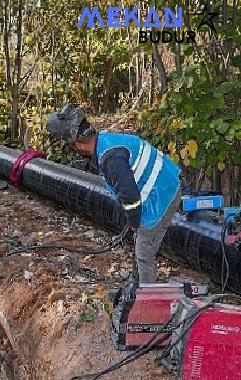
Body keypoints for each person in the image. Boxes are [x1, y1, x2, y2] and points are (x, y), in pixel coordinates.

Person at [46, 104, 181, 283]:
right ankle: (139, 283)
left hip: (159, 196)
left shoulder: (109, 158)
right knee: (145, 243)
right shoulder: (106, 140)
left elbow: (130, 196)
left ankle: (147, 298)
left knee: (143, 250)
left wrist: (134, 222)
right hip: (170, 184)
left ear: (78, 145)